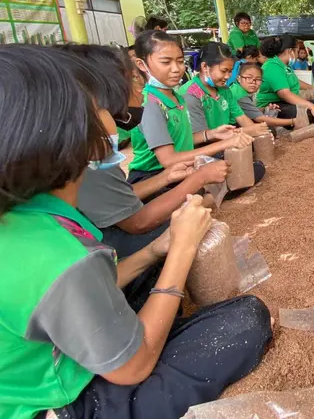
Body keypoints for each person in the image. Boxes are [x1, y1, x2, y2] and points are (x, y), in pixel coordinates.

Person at [0, 44, 272, 419]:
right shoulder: (57, 255)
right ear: (65, 129)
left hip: (45, 359)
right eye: (96, 106)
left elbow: (93, 283)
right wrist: (181, 249)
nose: (117, 112)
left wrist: (155, 251)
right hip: (58, 401)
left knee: (148, 272)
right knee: (245, 320)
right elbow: (134, 366)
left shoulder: (33, 215)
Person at [55, 44, 228, 259]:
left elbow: (114, 198)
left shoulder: (93, 151)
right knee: (191, 221)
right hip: (100, 242)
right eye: (133, 80)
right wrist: (200, 177)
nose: (139, 89)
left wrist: (166, 178)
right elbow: (138, 222)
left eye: (180, 61)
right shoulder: (91, 156)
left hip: (111, 217)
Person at [128, 31, 252, 184]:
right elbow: (168, 160)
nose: (176, 69)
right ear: (142, 64)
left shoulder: (176, 97)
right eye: (166, 62)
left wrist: (212, 134)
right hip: (153, 176)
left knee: (237, 170)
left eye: (180, 61)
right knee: (221, 181)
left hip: (181, 168)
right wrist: (226, 143)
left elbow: (181, 140)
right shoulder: (149, 103)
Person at [178, 42, 269, 184]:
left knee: (259, 139)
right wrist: (245, 133)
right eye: (223, 71)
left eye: (230, 71)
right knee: (249, 166)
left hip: (223, 141)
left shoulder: (225, 90)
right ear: (204, 67)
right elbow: (201, 138)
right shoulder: (191, 95)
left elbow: (242, 118)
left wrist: (258, 133)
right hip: (201, 150)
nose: (227, 76)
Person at [257, 35, 314, 123]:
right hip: (272, 105)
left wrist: (312, 88)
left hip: (284, 102)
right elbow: (284, 94)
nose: (298, 54)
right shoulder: (272, 66)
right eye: (297, 51)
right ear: (290, 51)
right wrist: (311, 106)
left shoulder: (285, 65)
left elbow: (295, 81)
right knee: (306, 111)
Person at [230, 62, 296, 129]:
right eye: (249, 78)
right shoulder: (240, 96)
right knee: (268, 130)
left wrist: (265, 109)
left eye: (258, 79)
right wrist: (293, 121)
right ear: (238, 78)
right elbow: (261, 119)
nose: (253, 82)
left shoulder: (236, 88)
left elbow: (246, 110)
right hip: (231, 126)